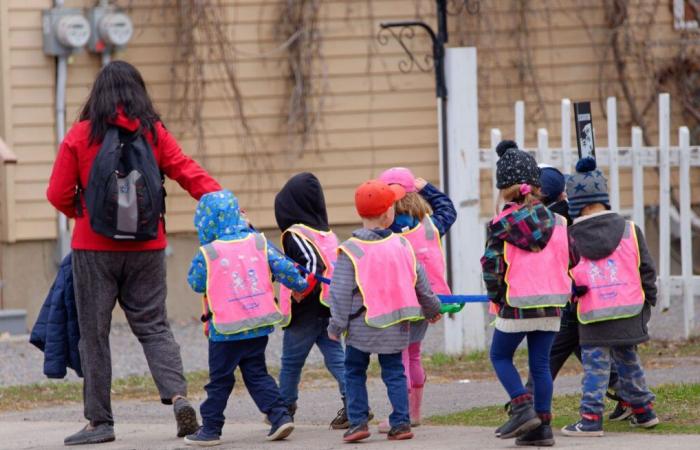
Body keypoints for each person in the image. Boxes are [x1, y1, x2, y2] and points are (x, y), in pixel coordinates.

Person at [46, 60, 221, 446]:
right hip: (147, 246)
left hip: (93, 249)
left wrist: (85, 214)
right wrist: (223, 200)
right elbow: (186, 170)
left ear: (98, 93)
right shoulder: (153, 133)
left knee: (94, 335)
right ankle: (179, 399)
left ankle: (100, 422)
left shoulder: (79, 135)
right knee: (154, 326)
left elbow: (57, 193)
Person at [184, 190, 309, 446]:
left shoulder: (210, 252)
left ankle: (210, 429)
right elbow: (284, 266)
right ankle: (279, 415)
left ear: (206, 222)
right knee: (257, 373)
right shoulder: (257, 242)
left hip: (226, 330)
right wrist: (299, 283)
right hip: (257, 324)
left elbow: (196, 283)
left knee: (220, 380)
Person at [328, 180, 442, 443]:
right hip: (396, 325)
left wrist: (336, 326)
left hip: (361, 326)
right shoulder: (402, 246)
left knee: (354, 371)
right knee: (394, 372)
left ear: (359, 213)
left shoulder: (351, 249)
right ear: (388, 213)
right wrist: (432, 309)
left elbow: (341, 292)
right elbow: (420, 281)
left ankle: (357, 423)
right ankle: (401, 422)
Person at [481, 140, 578, 447]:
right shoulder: (561, 222)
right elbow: (572, 258)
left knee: (500, 355)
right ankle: (543, 428)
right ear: (535, 186)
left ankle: (522, 407)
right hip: (553, 303)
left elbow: (492, 265)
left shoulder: (500, 225)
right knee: (539, 365)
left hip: (517, 302)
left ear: (504, 189)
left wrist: (496, 295)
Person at [561, 158, 659, 437]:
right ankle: (643, 411)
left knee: (596, 368)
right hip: (629, 309)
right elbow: (646, 269)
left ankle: (591, 419)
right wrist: (648, 300)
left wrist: (571, 294)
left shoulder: (570, 237)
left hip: (593, 314)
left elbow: (565, 275)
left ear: (576, 204)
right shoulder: (630, 229)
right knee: (629, 362)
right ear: (603, 198)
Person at [527, 164, 627, 420]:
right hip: (586, 296)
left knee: (551, 353)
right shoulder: (571, 216)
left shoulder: (548, 222)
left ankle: (527, 404)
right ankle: (628, 395)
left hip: (569, 297)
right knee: (581, 348)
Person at [376, 167, 456, 431]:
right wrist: (428, 188)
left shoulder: (386, 229)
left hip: (402, 300)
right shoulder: (431, 224)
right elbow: (449, 210)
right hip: (431, 298)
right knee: (414, 354)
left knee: (400, 357)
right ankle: (415, 412)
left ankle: (401, 415)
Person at [273, 172, 349, 428]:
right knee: (337, 359)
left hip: (304, 311)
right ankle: (355, 404)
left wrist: (300, 290)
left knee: (291, 363)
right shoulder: (327, 233)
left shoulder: (296, 234)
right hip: (328, 307)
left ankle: (284, 409)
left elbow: (313, 264)